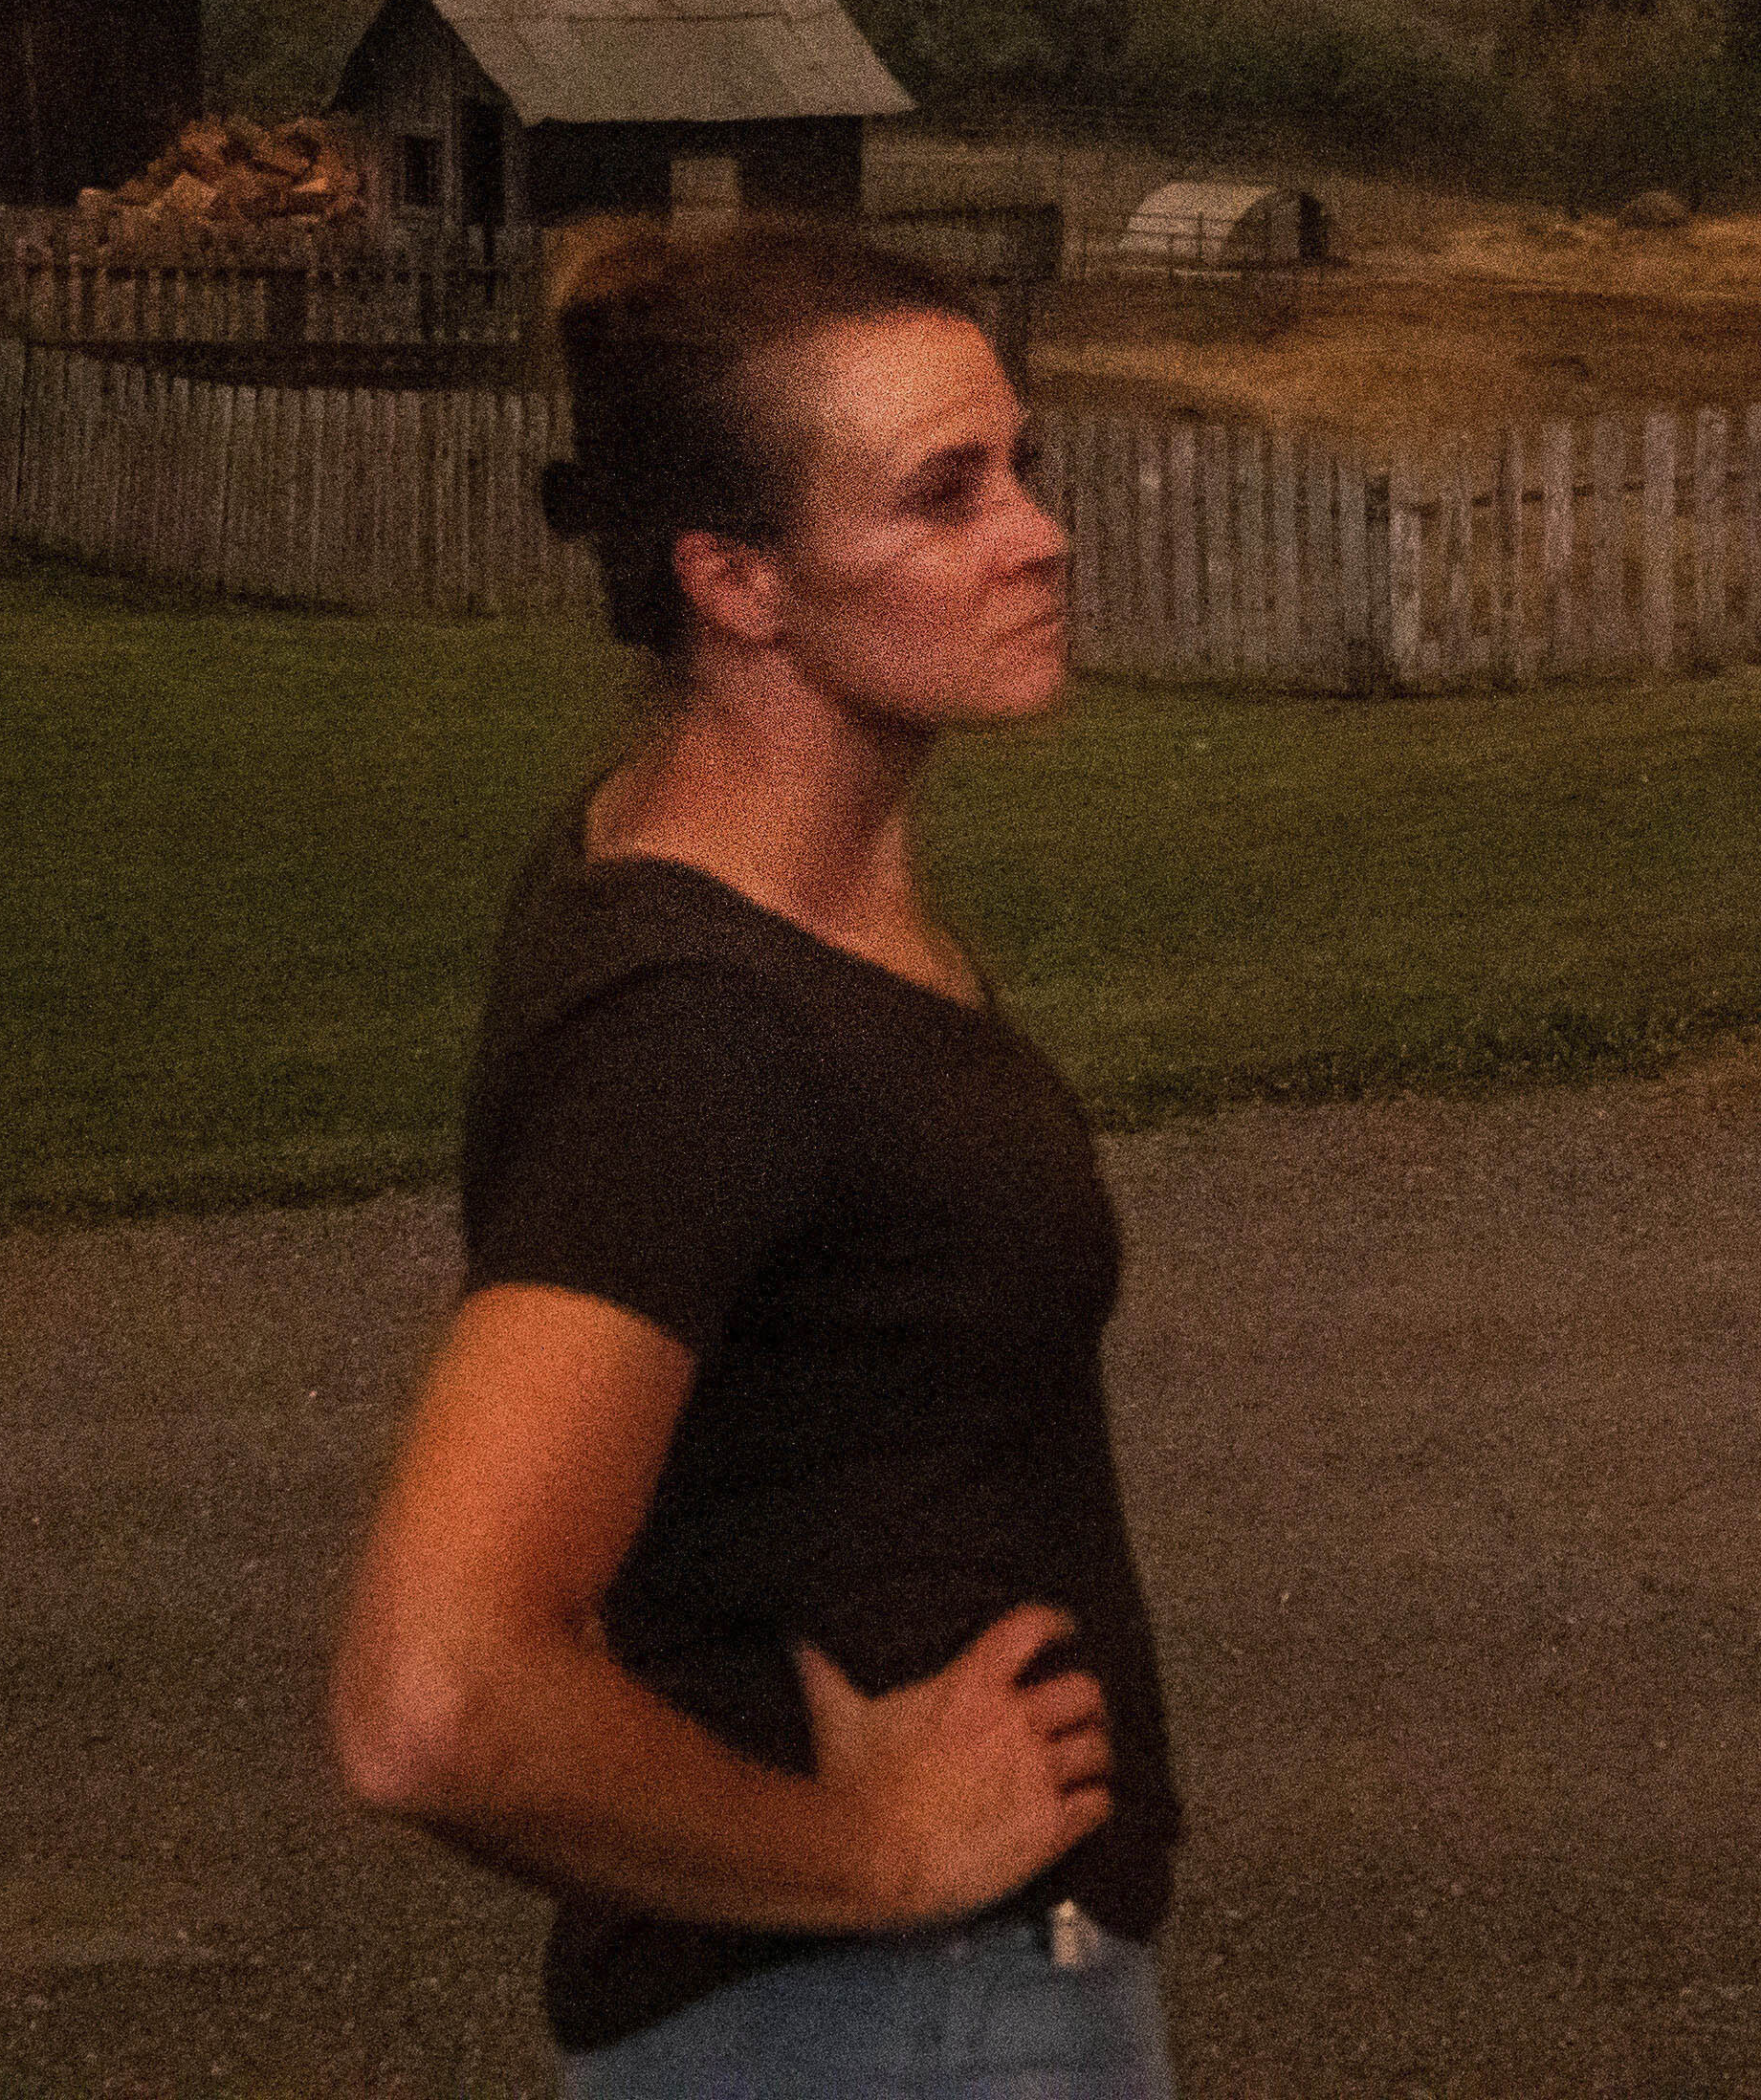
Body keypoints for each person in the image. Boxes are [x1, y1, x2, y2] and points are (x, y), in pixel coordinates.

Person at [334, 216, 1181, 2093]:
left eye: (1021, 466)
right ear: (737, 575)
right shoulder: (695, 1029)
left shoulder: (781, 888)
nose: (1036, 531)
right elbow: (433, 1693)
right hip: (891, 2021)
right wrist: (866, 1852)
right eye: (942, 493)